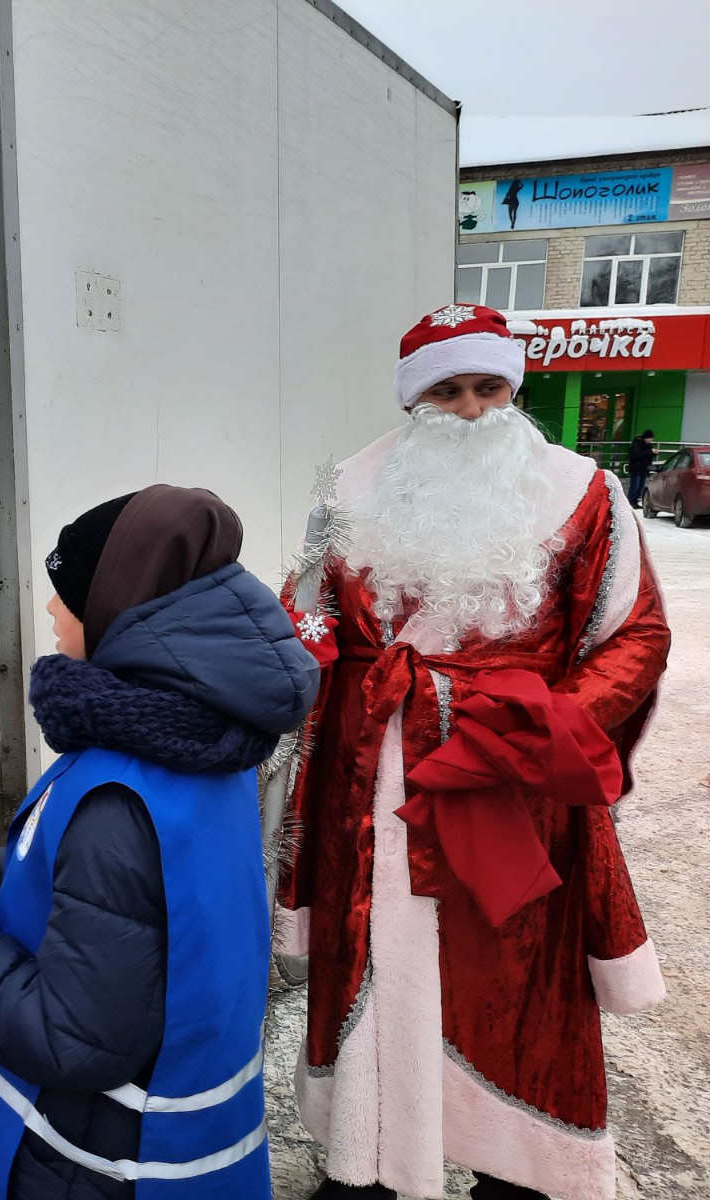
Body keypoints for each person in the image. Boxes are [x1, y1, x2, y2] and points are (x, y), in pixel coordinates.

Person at [274, 304, 671, 1200]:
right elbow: (311, 616)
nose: (468, 410)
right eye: (445, 390)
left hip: (515, 780)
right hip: (370, 782)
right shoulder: (348, 486)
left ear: (514, 388)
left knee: (514, 979)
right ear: (414, 400)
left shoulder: (584, 490)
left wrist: (549, 725)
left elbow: (633, 635)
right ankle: (367, 1163)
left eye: (487, 387)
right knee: (374, 959)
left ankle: (519, 1170)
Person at [0, 485, 320, 1200]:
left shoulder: (119, 787)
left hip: (85, 1167)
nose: (53, 610)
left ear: (124, 610)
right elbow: (146, 903)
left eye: (69, 593)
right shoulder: (202, 743)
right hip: (173, 1156)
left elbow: (74, 1037)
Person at [627, 428, 656, 509]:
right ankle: (631, 501)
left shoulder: (648, 445)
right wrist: (650, 452)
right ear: (646, 437)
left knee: (640, 486)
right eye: (650, 438)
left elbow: (646, 456)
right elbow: (636, 455)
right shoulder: (637, 443)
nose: (651, 440)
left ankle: (635, 500)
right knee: (635, 485)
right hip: (636, 468)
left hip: (644, 468)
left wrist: (653, 454)